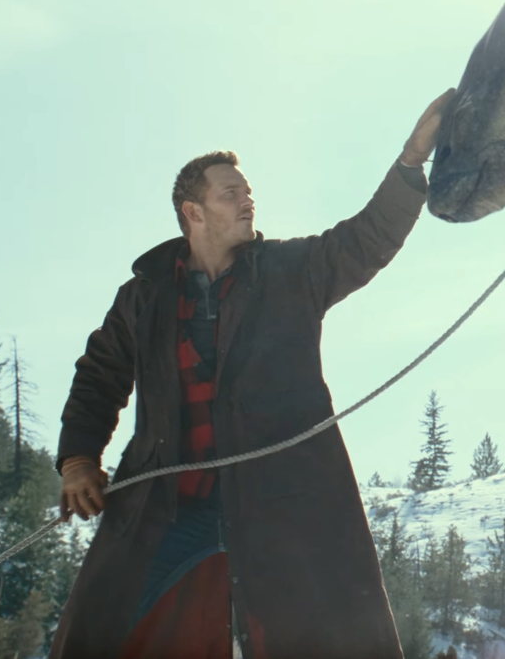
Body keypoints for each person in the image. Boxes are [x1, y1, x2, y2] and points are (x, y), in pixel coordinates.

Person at [49, 89, 453, 659]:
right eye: (231, 193)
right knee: (101, 633)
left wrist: (411, 161)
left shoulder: (290, 272)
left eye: (249, 192)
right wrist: (78, 459)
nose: (247, 202)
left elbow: (366, 239)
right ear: (193, 212)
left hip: (283, 503)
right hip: (168, 504)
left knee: (325, 641)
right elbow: (99, 377)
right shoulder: (144, 296)